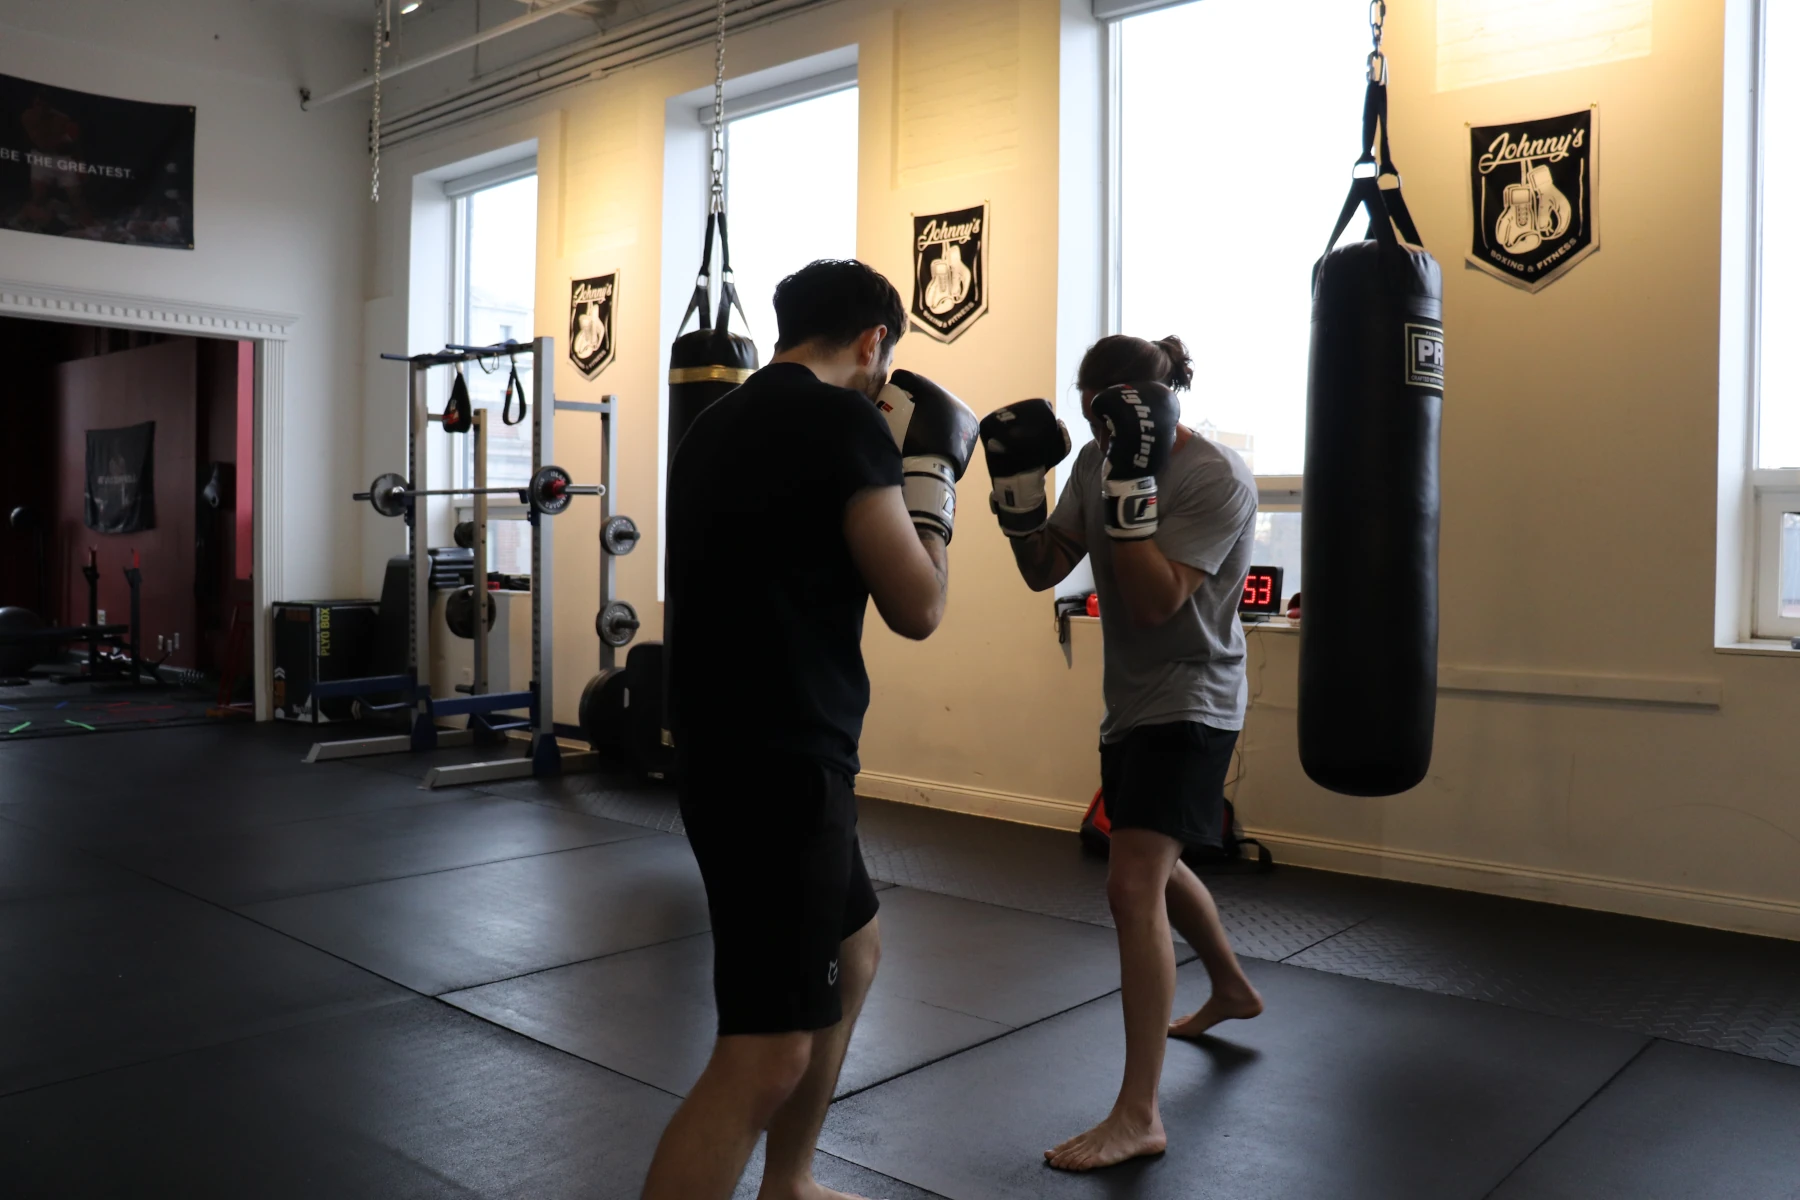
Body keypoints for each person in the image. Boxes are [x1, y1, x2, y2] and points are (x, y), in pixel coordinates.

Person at [644, 258, 979, 1200]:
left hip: (722, 745)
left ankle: (786, 1180)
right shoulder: (842, 424)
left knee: (856, 947)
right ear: (874, 342)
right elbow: (919, 605)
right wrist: (933, 483)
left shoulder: (715, 422)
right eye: (884, 358)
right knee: (765, 1053)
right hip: (785, 763)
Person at [982, 334, 1265, 1172]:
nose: (1096, 424)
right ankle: (1233, 988)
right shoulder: (1099, 461)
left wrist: (1133, 481)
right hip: (1131, 705)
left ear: (1150, 399)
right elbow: (1046, 568)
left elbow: (1150, 604)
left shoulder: (1216, 477)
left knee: (1133, 879)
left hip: (1195, 698)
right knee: (1156, 860)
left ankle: (1139, 1113)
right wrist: (1016, 491)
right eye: (1086, 403)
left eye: (1109, 406)